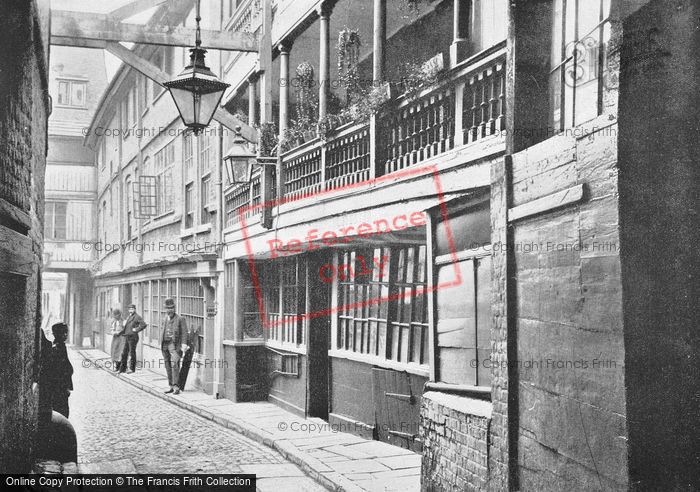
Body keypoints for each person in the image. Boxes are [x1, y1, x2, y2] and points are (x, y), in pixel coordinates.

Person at [160, 298, 189, 395]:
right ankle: (171, 386)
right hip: (165, 345)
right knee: (168, 366)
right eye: (168, 308)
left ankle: (176, 387)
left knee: (175, 365)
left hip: (174, 345)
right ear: (165, 309)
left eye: (172, 307)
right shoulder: (164, 319)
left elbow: (185, 333)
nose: (170, 310)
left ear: (175, 308)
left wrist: (184, 344)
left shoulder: (180, 319)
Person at [48, 322, 73, 418]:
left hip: (62, 388)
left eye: (66, 332)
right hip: (59, 389)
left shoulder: (61, 346)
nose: (65, 335)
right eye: (63, 333)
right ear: (56, 334)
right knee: (62, 413)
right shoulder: (57, 349)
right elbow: (59, 370)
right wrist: (64, 388)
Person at [120, 304, 146, 374]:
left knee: (132, 353)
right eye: (129, 309)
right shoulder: (129, 316)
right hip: (127, 336)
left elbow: (144, 324)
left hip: (133, 337)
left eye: (132, 309)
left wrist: (136, 329)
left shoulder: (137, 317)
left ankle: (132, 368)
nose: (130, 310)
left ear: (135, 309)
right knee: (124, 353)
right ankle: (123, 368)